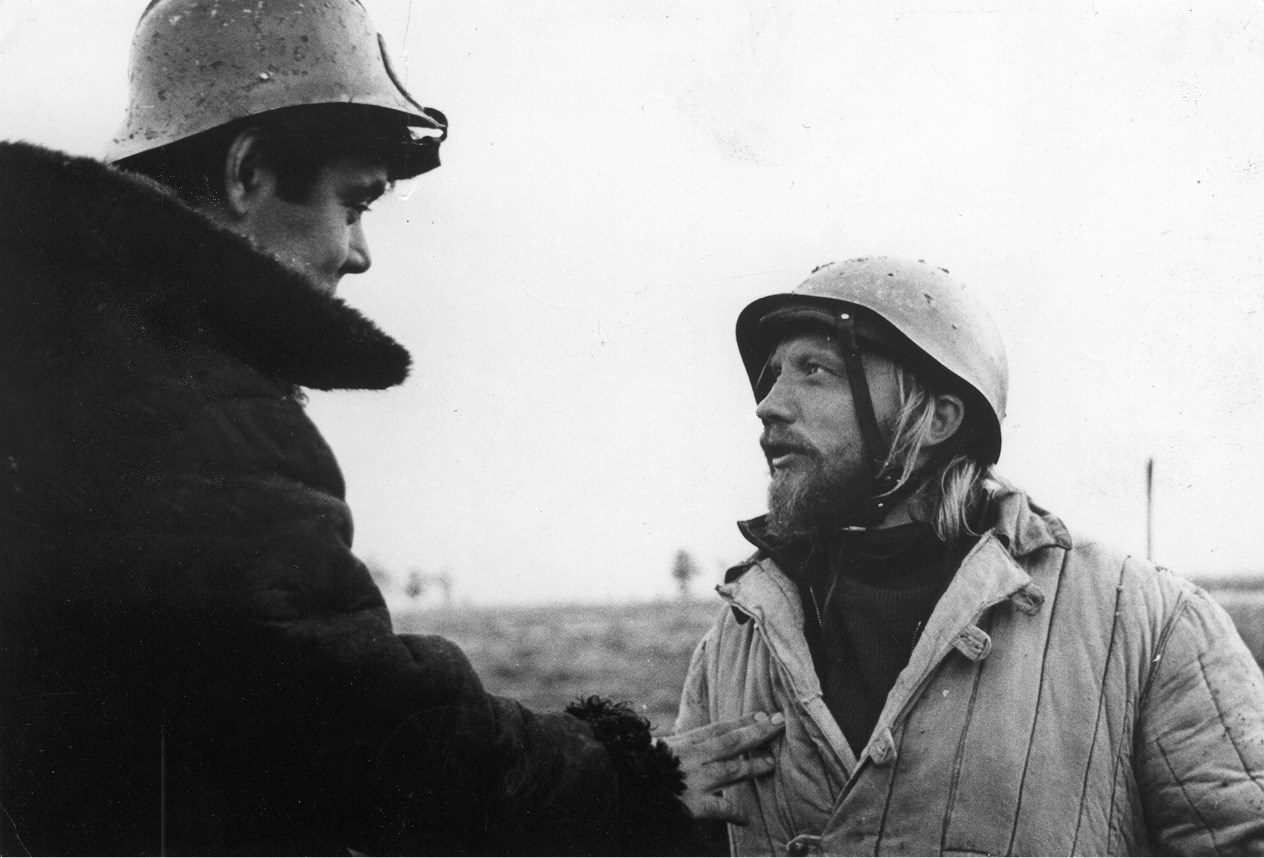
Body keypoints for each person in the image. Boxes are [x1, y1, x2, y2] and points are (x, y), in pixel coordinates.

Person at [0, 1, 781, 854]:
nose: (360, 252)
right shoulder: (189, 412)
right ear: (247, 172)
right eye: (354, 203)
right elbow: (364, 729)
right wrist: (625, 777)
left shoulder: (58, 353)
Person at [674, 256, 1264, 855]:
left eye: (815, 370)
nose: (768, 404)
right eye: (773, 375)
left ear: (937, 419)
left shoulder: (1143, 620)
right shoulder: (738, 639)